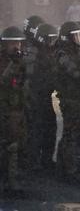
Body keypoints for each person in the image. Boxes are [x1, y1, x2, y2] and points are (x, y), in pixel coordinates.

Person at [54, 21, 80, 183]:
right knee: (72, 134)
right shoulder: (62, 55)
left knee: (77, 131)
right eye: (76, 36)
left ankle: (66, 165)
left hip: (78, 97)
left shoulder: (73, 53)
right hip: (70, 99)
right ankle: (70, 170)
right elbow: (77, 73)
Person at [23, 23, 58, 172]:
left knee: (49, 128)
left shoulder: (44, 54)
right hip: (35, 98)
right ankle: (34, 161)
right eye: (50, 40)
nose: (52, 43)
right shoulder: (34, 55)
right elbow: (32, 79)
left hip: (43, 97)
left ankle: (45, 160)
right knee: (36, 130)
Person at [0, 26, 27, 197]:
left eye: (19, 42)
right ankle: (7, 182)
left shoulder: (19, 62)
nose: (17, 46)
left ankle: (12, 181)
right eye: (13, 43)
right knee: (7, 146)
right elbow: (4, 81)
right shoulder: (4, 61)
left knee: (16, 145)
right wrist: (13, 64)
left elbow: (23, 84)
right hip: (4, 109)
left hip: (17, 109)